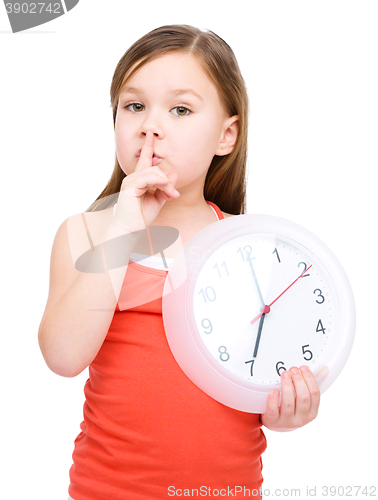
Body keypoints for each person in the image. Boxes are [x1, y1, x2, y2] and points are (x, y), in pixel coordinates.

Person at [38, 25, 320, 500]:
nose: (151, 125)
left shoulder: (252, 247)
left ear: (226, 135)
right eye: (134, 106)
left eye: (181, 109)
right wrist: (123, 228)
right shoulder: (84, 233)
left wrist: (286, 409)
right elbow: (63, 357)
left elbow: (261, 374)